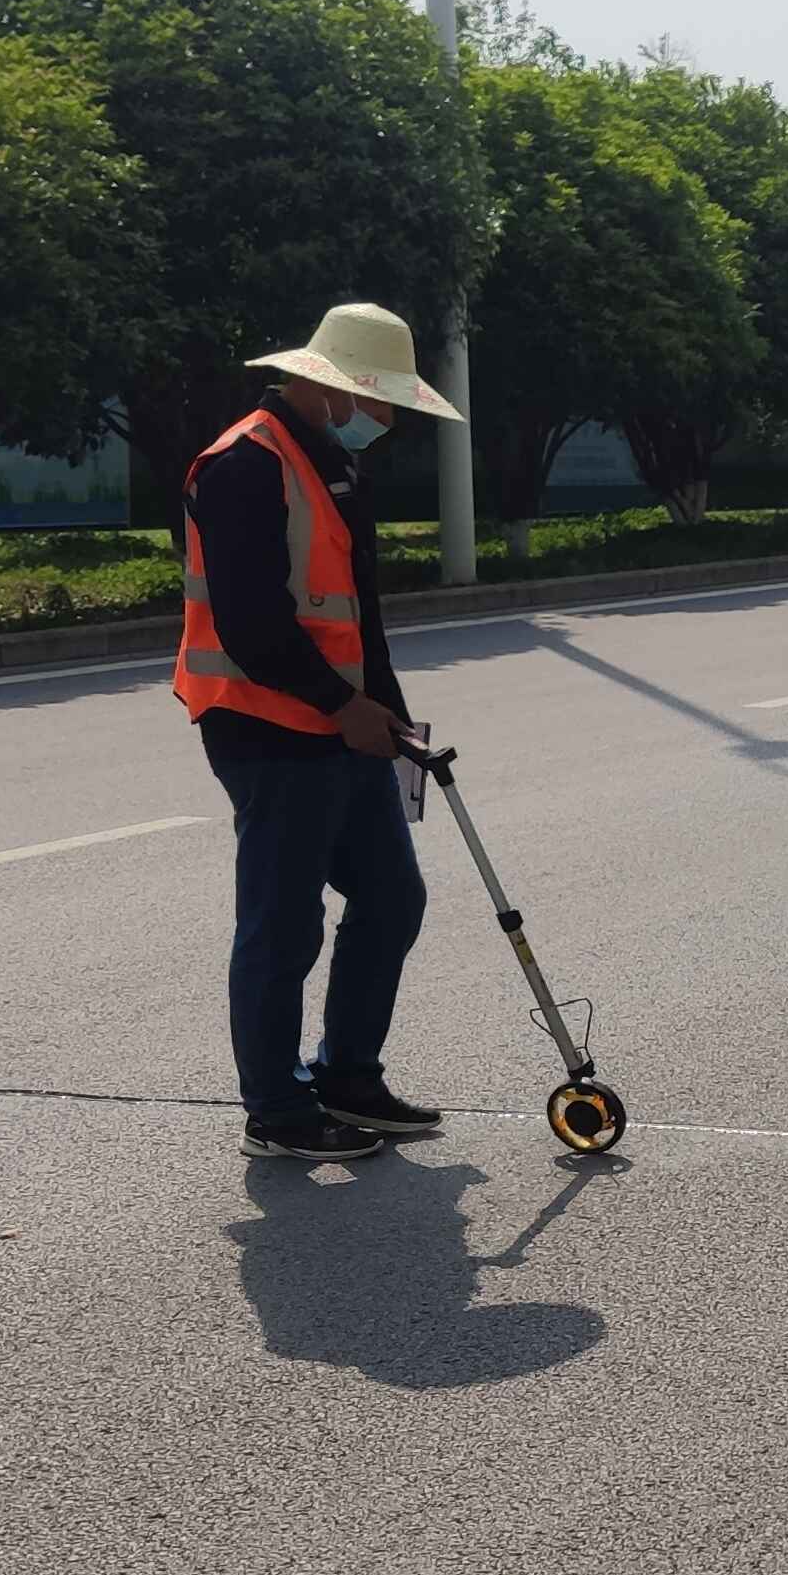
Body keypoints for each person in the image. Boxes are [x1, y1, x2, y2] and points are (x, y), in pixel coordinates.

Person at [176, 303, 460, 1163]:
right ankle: (276, 1110)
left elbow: (357, 615)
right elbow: (252, 622)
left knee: (393, 895)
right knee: (284, 922)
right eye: (380, 400)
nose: (387, 420)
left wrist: (391, 717)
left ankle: (347, 1076)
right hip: (266, 725)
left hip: (343, 723)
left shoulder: (331, 461)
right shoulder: (244, 464)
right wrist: (344, 707)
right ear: (330, 386)